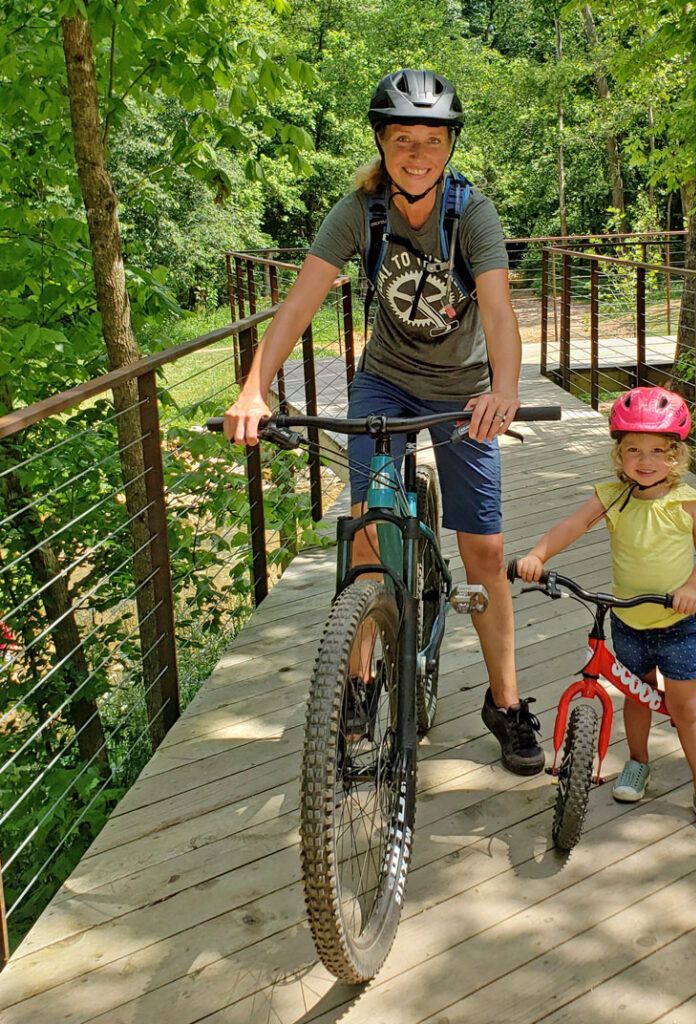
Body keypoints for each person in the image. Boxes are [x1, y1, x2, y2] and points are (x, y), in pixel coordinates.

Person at [223, 69, 544, 775]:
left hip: (463, 392)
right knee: (368, 526)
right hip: (384, 384)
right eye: (403, 140)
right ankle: (361, 683)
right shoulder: (360, 213)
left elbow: (496, 311)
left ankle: (506, 701)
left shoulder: (472, 215)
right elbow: (300, 301)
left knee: (484, 552)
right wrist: (254, 388)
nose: (417, 153)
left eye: (432, 140)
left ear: (449, 145)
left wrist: (506, 388)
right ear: (382, 142)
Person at [515, 386, 696, 836]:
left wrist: (693, 587)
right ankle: (637, 762)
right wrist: (538, 555)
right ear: (619, 455)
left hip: (676, 623)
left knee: (684, 709)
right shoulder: (614, 496)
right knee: (636, 697)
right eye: (633, 450)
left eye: (658, 451)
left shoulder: (687, 503)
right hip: (628, 620)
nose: (645, 460)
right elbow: (573, 525)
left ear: (676, 456)